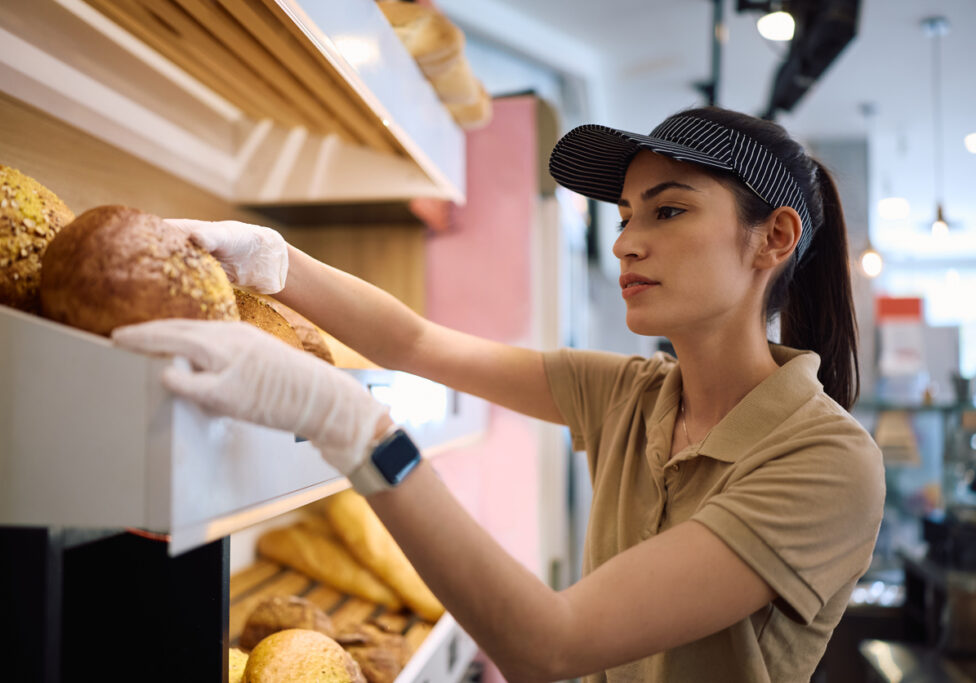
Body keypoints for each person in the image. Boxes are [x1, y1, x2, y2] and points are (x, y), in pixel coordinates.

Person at [114, 106, 885, 682]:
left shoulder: (827, 462)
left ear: (774, 238)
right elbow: (412, 343)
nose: (624, 241)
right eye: (623, 216)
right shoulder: (634, 395)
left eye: (669, 209)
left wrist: (349, 423)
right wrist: (275, 262)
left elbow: (548, 642)